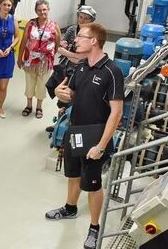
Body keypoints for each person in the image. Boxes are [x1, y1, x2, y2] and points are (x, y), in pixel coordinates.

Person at [48, 22, 124, 249]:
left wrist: (101, 145)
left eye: (81, 36)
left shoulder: (112, 71)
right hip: (75, 130)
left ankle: (94, 227)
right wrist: (60, 92)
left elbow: (117, 112)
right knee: (72, 174)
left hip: (96, 134)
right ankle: (70, 208)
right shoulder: (80, 67)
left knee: (92, 183)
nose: (76, 39)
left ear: (94, 41)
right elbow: (70, 93)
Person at [17, 0, 61, 119]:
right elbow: (24, 41)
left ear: (48, 10)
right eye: (39, 10)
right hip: (30, 59)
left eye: (44, 9)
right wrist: (20, 58)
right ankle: (29, 105)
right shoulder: (31, 24)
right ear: (36, 11)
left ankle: (39, 107)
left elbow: (58, 43)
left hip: (45, 62)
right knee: (30, 83)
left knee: (42, 84)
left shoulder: (54, 25)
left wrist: (51, 55)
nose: (42, 12)